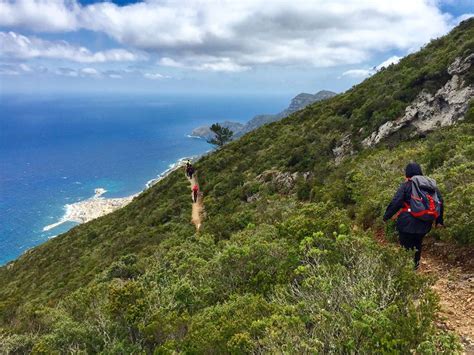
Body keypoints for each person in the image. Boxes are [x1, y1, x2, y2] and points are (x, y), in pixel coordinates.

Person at [383, 162, 444, 269]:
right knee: (417, 244)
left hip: (406, 223)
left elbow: (396, 201)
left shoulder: (406, 185)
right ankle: (415, 268)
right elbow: (440, 202)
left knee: (406, 247)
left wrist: (387, 216)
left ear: (407, 173)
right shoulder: (430, 185)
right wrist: (439, 220)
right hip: (425, 223)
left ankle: (406, 271)